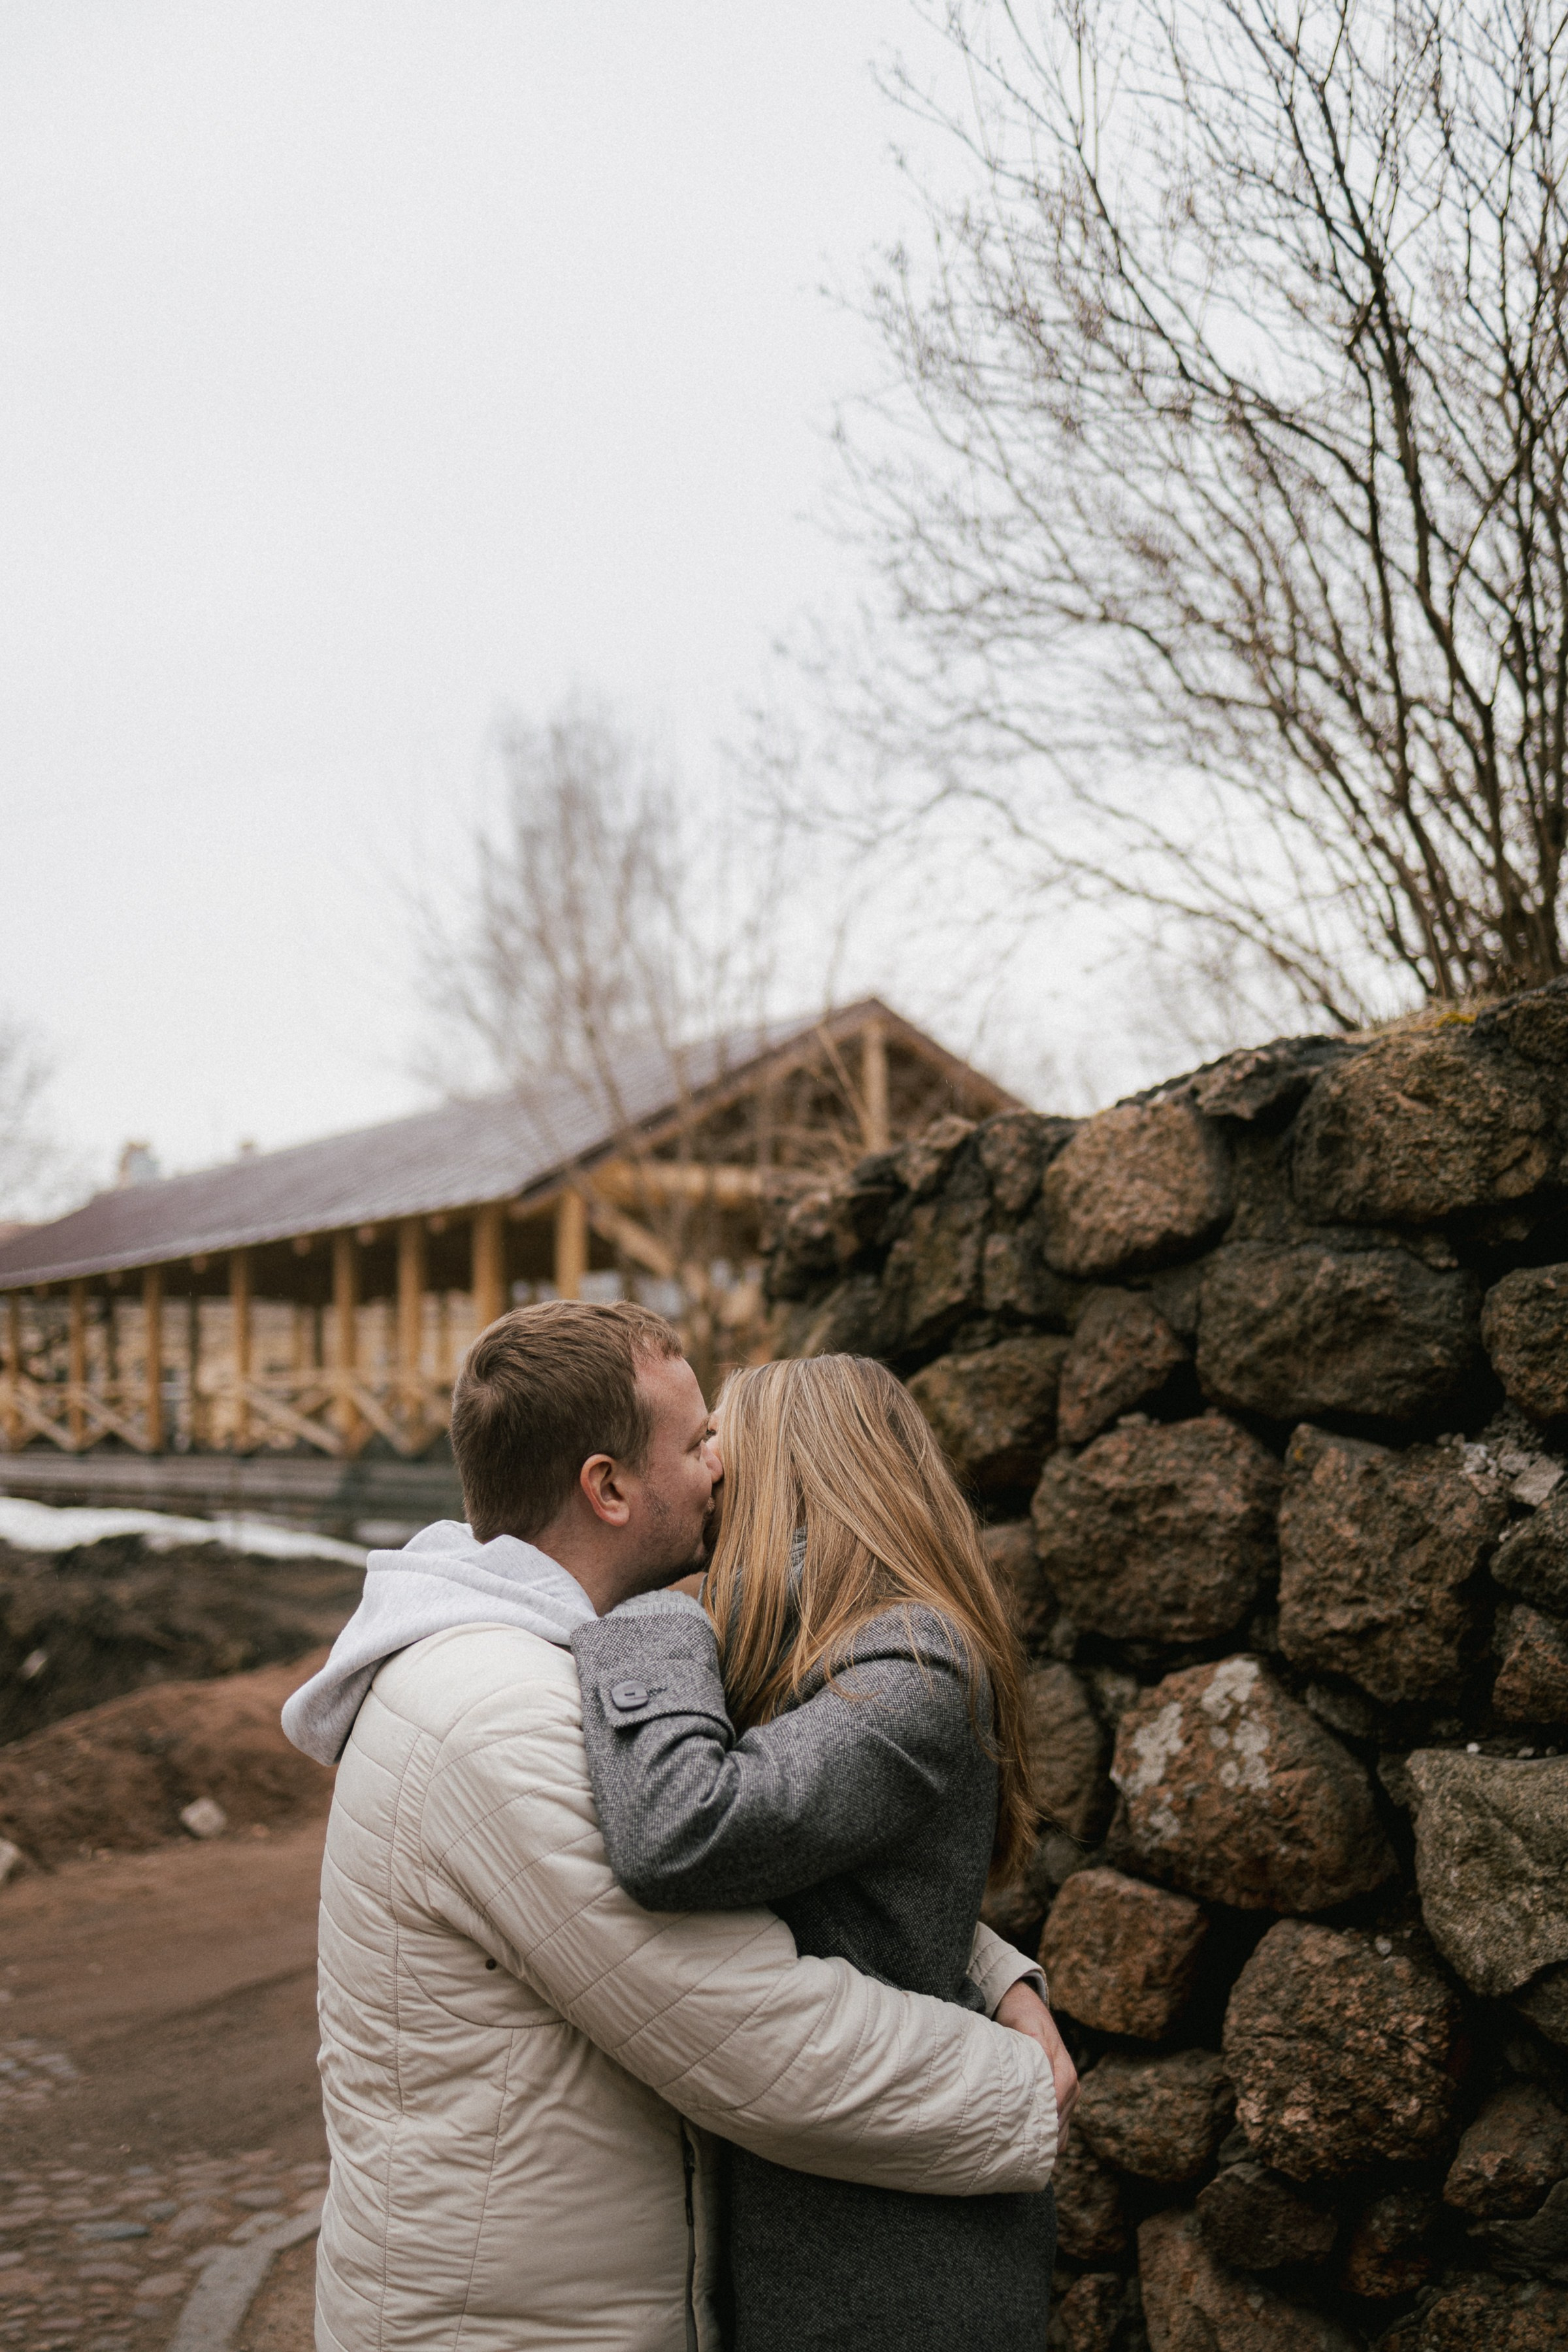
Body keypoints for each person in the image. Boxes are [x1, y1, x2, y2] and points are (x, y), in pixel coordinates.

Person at [282, 1300, 1064, 2352]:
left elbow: (805, 1840)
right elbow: (759, 2037)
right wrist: (1024, 2089)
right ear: (606, 1486)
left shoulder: (556, 1673)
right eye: (698, 1441)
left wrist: (990, 1963)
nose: (722, 1470)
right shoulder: (506, 1713)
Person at [570, 1351, 1073, 2352]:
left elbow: (685, 1830)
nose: (707, 1470)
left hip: (893, 2258)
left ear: (791, 1472)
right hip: (820, 2216)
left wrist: (646, 1615)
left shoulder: (913, 1659)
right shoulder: (812, 1650)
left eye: (720, 1445)